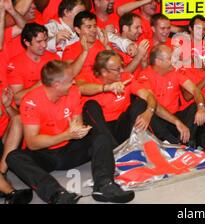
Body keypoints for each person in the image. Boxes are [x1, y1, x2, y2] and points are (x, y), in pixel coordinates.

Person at [6, 60, 135, 204]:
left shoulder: (73, 92)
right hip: (47, 153)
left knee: (101, 138)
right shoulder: (31, 101)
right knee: (14, 157)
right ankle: (57, 195)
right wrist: (66, 135)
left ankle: (104, 185)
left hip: (71, 147)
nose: (74, 82)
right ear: (56, 85)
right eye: (69, 80)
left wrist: (79, 130)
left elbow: (77, 124)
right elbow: (33, 143)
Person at [77, 50, 190, 148]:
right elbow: (81, 88)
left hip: (121, 126)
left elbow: (149, 96)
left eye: (122, 66)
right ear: (104, 72)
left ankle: (170, 142)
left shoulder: (126, 78)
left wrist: (149, 113)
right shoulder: (87, 77)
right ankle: (112, 150)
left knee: (141, 103)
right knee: (91, 105)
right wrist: (107, 88)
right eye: (117, 69)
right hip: (101, 129)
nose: (122, 71)